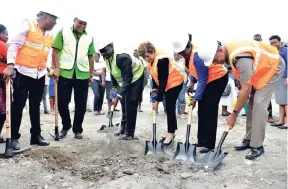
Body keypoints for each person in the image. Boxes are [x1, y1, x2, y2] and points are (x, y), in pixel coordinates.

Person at [210, 39, 285, 160]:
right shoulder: (230, 52)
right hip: (261, 69)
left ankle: (257, 146)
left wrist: (234, 114)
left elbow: (245, 90)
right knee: (251, 102)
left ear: (219, 50)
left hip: (274, 67)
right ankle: (249, 139)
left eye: (214, 59)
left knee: (259, 102)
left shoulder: (241, 58)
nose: (215, 62)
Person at [3, 10, 58, 150]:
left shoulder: (50, 35)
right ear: (45, 18)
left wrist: (50, 70)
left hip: (39, 74)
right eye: (53, 20)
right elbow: (14, 45)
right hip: (23, 72)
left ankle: (36, 136)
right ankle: (14, 137)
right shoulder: (28, 25)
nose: (55, 23)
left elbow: (43, 55)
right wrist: (10, 65)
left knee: (35, 105)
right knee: (18, 105)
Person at [171, 35, 228, 153]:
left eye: (183, 52)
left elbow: (203, 79)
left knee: (209, 110)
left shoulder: (197, 55)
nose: (182, 55)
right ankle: (201, 141)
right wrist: (191, 83)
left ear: (188, 47)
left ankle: (208, 144)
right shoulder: (188, 56)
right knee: (202, 111)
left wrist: (195, 98)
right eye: (180, 53)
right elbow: (194, 71)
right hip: (207, 80)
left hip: (217, 79)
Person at [52, 16, 95, 140]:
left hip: (82, 74)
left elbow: (91, 57)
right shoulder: (63, 32)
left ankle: (77, 129)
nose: (82, 26)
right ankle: (66, 125)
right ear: (74, 20)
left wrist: (91, 74)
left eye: (85, 24)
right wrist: (56, 69)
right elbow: (55, 51)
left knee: (81, 104)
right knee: (61, 102)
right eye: (80, 23)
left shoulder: (89, 37)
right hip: (65, 73)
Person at [138, 42, 184, 145]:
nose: (147, 59)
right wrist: (155, 89)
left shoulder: (162, 60)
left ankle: (170, 133)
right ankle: (172, 131)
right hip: (168, 82)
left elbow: (163, 81)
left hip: (175, 82)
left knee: (169, 106)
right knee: (169, 106)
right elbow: (155, 76)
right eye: (144, 57)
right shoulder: (152, 59)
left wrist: (157, 101)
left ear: (152, 51)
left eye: (147, 56)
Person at [98, 41, 144, 140]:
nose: (103, 54)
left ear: (111, 46)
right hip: (127, 80)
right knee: (124, 102)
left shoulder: (122, 58)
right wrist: (114, 86)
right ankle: (123, 128)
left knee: (130, 103)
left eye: (104, 51)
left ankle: (130, 133)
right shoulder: (107, 57)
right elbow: (112, 71)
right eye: (101, 52)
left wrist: (118, 97)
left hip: (136, 78)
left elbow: (128, 79)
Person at [253, 34, 274, 123]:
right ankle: (257, 115)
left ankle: (269, 115)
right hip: (255, 76)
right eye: (256, 40)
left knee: (266, 96)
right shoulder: (253, 49)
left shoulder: (266, 49)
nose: (257, 41)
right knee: (255, 96)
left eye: (258, 40)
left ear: (261, 40)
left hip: (265, 76)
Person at [269, 35, 287, 129]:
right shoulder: (273, 52)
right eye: (271, 43)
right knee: (280, 101)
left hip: (285, 77)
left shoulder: (285, 50)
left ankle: (287, 122)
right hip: (277, 78)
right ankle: (281, 121)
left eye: (275, 42)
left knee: (286, 101)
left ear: (280, 42)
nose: (273, 44)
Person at [0, 24, 8, 143]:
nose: (7, 37)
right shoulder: (2, 45)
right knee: (3, 110)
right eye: (6, 34)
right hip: (1, 79)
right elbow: (11, 60)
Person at [174, 52, 188, 118]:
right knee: (174, 97)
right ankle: (178, 111)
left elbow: (188, 71)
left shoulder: (184, 61)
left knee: (181, 97)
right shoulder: (171, 61)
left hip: (183, 81)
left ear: (179, 55)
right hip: (173, 82)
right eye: (173, 54)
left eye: (175, 54)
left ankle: (182, 113)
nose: (174, 55)